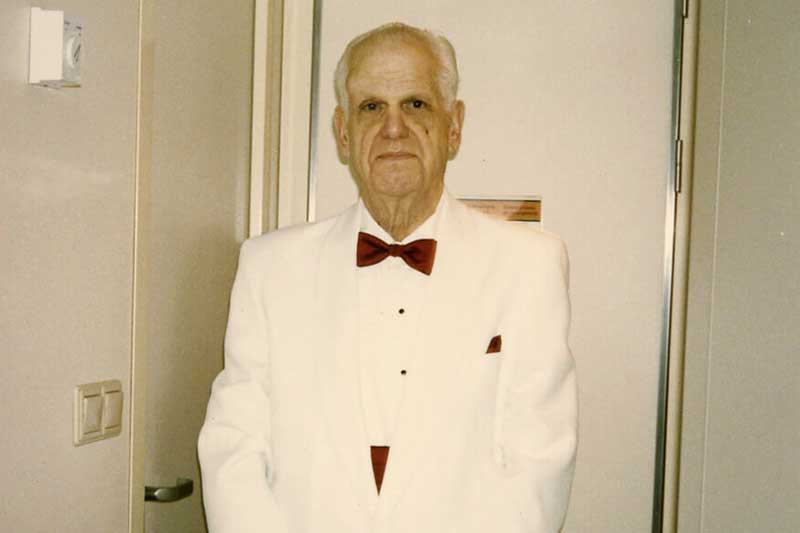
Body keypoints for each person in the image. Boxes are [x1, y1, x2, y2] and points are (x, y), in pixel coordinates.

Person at [198, 22, 577, 533]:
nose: (393, 128)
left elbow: (539, 466)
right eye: (371, 107)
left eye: (416, 104)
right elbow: (233, 448)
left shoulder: (530, 265)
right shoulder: (269, 267)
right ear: (343, 132)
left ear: (454, 126)